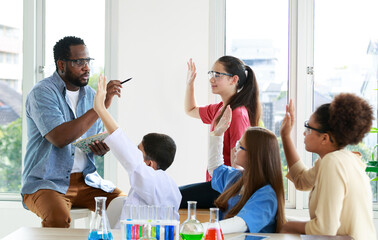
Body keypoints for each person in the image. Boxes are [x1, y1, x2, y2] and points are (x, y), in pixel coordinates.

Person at [21, 36, 125, 228]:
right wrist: (99, 108)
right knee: (58, 219)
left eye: (88, 61)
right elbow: (60, 138)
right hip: (47, 182)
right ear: (61, 64)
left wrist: (100, 148)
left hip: (87, 181)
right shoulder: (42, 93)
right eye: (79, 62)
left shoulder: (92, 95)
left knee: (127, 206)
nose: (86, 67)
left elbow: (92, 137)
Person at [280, 94, 376, 239]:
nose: (304, 133)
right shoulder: (343, 159)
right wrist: (285, 136)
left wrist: (287, 226)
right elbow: (300, 179)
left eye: (309, 128)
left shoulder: (332, 162)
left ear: (324, 138)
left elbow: (324, 229)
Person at [93, 75, 182, 227]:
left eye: (138, 150)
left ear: (149, 164)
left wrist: (101, 109)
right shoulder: (146, 184)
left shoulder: (159, 182)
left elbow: (129, 157)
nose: (133, 151)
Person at [180, 56, 261, 208]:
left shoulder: (237, 114)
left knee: (173, 197)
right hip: (215, 184)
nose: (212, 79)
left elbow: (238, 165)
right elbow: (190, 110)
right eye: (211, 74)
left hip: (225, 189)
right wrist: (190, 84)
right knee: (172, 195)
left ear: (233, 79)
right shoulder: (219, 109)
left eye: (217, 75)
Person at [205, 106, 285, 234]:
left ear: (254, 155)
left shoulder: (267, 196)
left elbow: (240, 224)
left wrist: (196, 229)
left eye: (240, 146)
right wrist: (218, 133)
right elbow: (215, 168)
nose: (235, 149)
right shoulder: (236, 178)